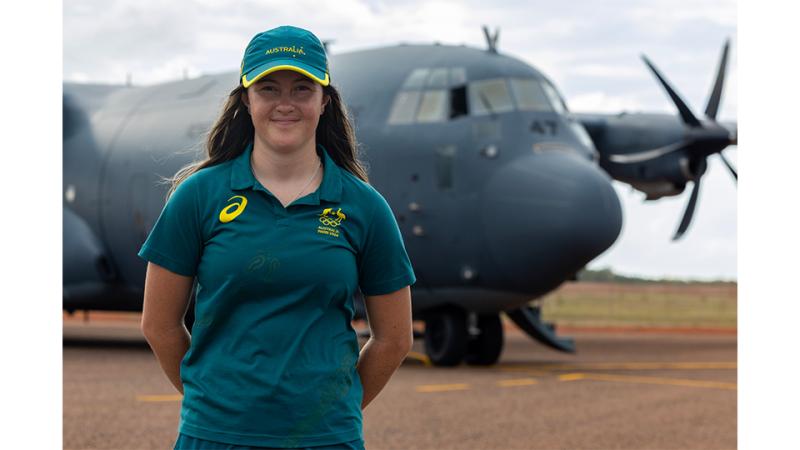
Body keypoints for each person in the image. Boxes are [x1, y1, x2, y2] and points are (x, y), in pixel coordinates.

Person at [138, 25, 416, 450]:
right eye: (268, 88)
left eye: (302, 88)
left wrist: (334, 410)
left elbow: (395, 338)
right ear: (246, 99)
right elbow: (159, 325)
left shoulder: (365, 207)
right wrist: (212, 404)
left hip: (326, 441)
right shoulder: (198, 196)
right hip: (214, 438)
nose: (285, 103)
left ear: (324, 100)